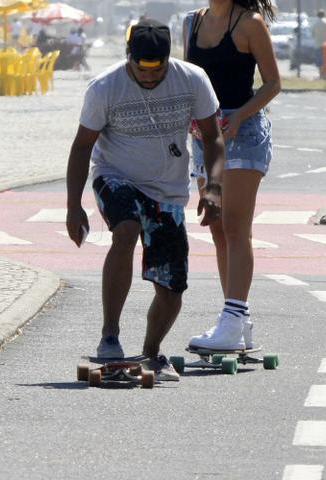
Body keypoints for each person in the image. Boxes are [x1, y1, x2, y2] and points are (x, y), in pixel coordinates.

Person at [66, 19, 225, 381]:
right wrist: (73, 206)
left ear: (169, 59)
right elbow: (81, 147)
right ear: (130, 59)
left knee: (171, 284)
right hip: (115, 175)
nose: (150, 78)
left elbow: (213, 137)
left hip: (167, 190)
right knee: (126, 229)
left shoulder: (192, 79)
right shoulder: (105, 87)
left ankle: (152, 353)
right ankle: (110, 335)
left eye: (158, 71)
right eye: (142, 70)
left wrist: (213, 186)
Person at [183, 0, 280, 351]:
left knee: (237, 226)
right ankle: (236, 322)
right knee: (218, 228)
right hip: (204, 135)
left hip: (243, 133)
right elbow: (189, 78)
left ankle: (232, 318)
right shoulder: (191, 22)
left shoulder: (250, 23)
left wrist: (239, 117)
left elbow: (273, 84)